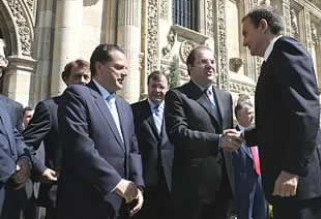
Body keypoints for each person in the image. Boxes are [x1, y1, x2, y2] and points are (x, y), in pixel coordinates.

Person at [241, 6, 321, 219]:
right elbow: (277, 122)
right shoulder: (273, 59)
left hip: (298, 183)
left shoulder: (286, 49)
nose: (244, 41)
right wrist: (243, 136)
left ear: (263, 26)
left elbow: (305, 112)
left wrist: (292, 169)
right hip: (288, 183)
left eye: (246, 33)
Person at [57, 44, 144, 219]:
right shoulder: (77, 96)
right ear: (99, 67)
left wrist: (138, 187)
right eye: (119, 67)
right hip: (85, 202)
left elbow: (133, 151)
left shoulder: (125, 107)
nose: (125, 73)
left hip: (121, 204)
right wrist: (115, 182)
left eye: (126, 68)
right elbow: (80, 147)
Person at [164, 45, 243, 219]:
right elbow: (178, 133)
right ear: (190, 67)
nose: (210, 65)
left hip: (224, 187)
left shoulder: (225, 97)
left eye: (212, 61)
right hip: (193, 189)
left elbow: (227, 135)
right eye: (203, 62)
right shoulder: (177, 96)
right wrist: (218, 141)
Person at [23, 59, 91, 219]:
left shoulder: (95, 110)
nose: (82, 81)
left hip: (90, 194)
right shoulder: (50, 108)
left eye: (86, 77)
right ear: (65, 79)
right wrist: (41, 168)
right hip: (58, 194)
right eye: (77, 76)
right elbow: (25, 144)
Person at [131, 70, 174, 219]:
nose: (157, 90)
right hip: (144, 182)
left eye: (161, 87)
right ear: (147, 87)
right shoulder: (134, 110)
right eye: (153, 86)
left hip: (170, 182)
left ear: (167, 89)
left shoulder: (174, 113)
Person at [0, 56, 32, 219]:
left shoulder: (6, 105)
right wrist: (12, 169)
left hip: (9, 191)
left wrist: (25, 159)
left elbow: (14, 135)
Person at [232, 97, 268, 219]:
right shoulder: (233, 137)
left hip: (261, 187)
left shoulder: (259, 135)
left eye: (253, 112)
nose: (252, 116)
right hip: (243, 191)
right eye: (249, 113)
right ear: (239, 116)